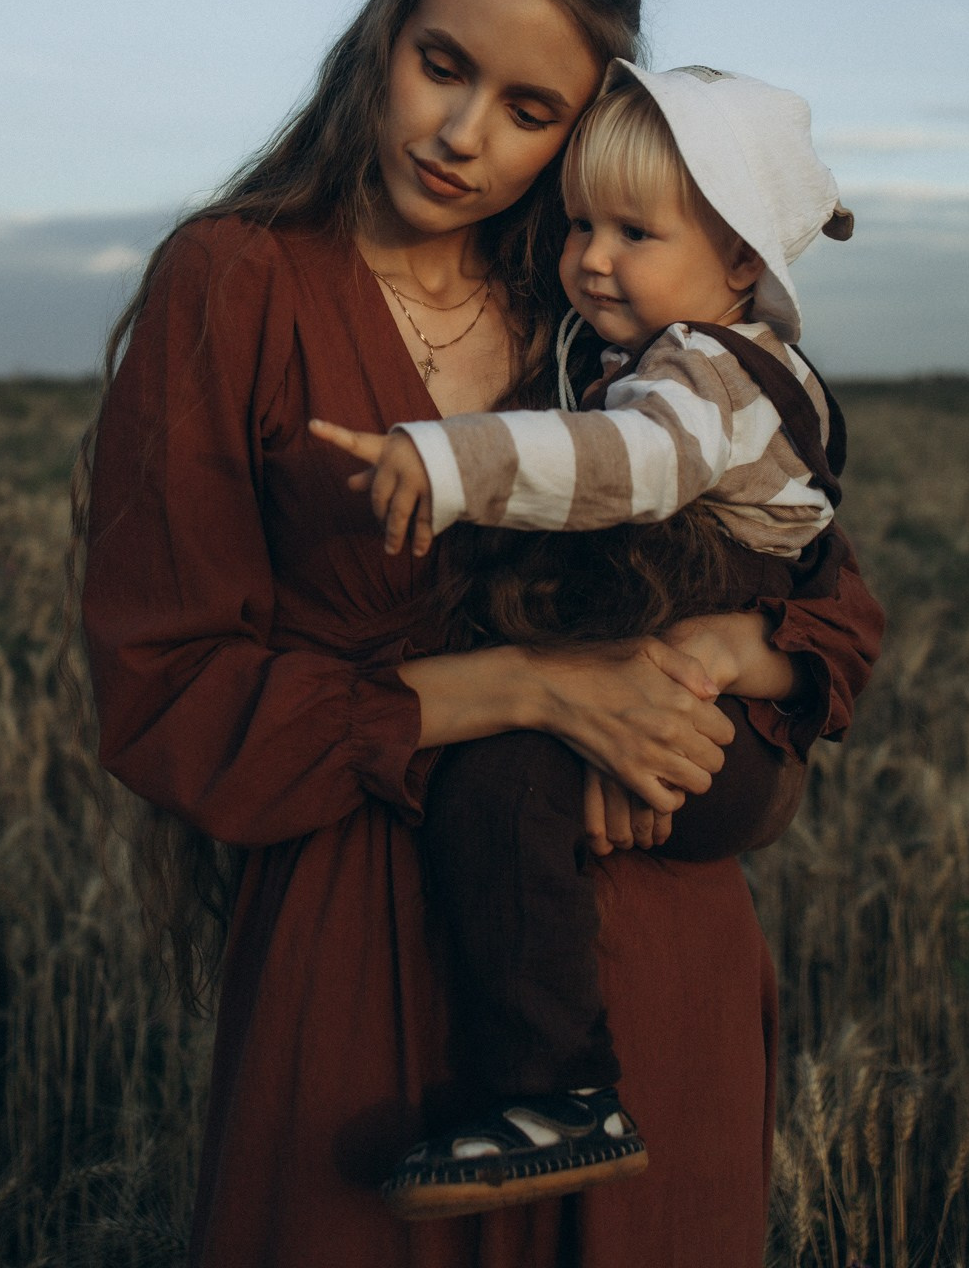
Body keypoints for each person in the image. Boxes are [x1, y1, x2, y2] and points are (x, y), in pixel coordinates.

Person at [78, 0, 884, 1268]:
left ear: (593, 133)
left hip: (652, 949)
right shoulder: (236, 284)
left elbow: (828, 600)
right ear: (382, 39)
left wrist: (720, 677)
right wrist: (529, 687)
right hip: (364, 962)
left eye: (529, 111)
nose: (459, 135)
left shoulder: (614, 313)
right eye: (441, 66)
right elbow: (166, 694)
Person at [310, 61, 857, 1216]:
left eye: (633, 232)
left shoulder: (707, 372)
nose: (592, 257)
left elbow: (627, 466)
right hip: (673, 700)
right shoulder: (640, 357)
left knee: (496, 790)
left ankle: (558, 1094)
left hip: (716, 732)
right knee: (510, 787)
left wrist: (449, 459)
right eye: (578, 224)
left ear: (742, 263)